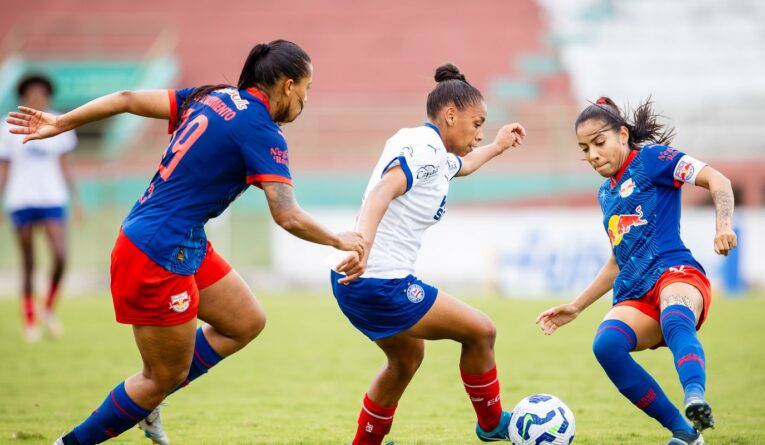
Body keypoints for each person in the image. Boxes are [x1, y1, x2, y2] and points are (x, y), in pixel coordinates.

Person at [7, 40, 365, 445]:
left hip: (179, 236)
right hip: (157, 251)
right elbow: (287, 215)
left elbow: (125, 99)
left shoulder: (213, 96)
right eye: (307, 88)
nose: (306, 99)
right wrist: (341, 240)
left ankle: (151, 399)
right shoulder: (262, 130)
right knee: (161, 376)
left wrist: (62, 121)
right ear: (286, 85)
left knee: (246, 322)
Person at [329, 63, 526, 445]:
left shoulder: (429, 148)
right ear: (451, 115)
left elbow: (462, 165)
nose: (480, 133)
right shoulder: (424, 150)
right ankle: (491, 424)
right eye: (477, 123)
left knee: (405, 360)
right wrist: (363, 246)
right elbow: (382, 192)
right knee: (481, 331)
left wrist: (497, 147)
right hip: (376, 279)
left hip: (355, 280)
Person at [535, 97, 737, 445]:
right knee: (607, 345)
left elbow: (718, 180)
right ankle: (685, 432)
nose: (593, 154)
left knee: (675, 317)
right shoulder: (605, 194)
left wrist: (723, 225)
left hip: (675, 272)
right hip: (634, 289)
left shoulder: (653, 159)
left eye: (599, 142)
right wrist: (577, 306)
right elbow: (618, 258)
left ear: (623, 135)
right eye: (585, 149)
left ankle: (695, 397)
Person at [0, 74, 81, 342]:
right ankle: (30, 321)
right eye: (32, 93)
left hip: (52, 199)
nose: (37, 98)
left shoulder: (60, 124)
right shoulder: (7, 127)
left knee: (60, 255)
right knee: (28, 262)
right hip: (20, 199)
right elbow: (5, 168)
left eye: (42, 93)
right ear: (23, 97)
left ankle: (47, 308)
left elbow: (65, 166)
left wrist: (77, 201)